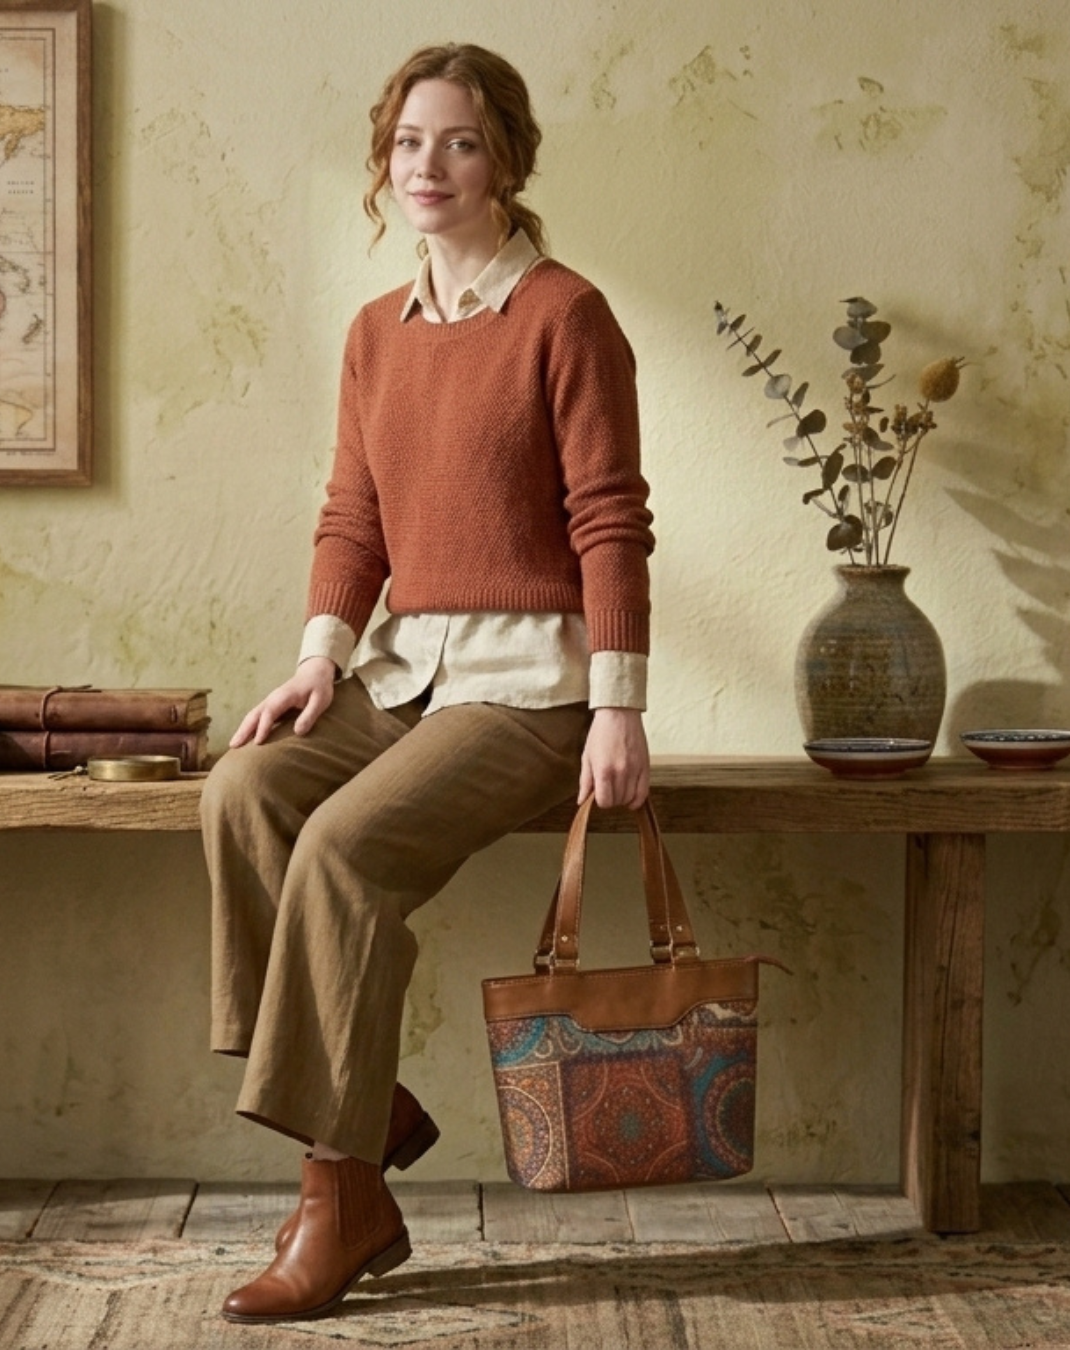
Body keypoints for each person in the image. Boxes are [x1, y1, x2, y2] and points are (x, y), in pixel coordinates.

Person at [200, 41, 654, 1324]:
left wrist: (616, 704)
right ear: (383, 160)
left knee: (341, 851)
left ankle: (336, 1203)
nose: (430, 166)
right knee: (241, 794)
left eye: (458, 141)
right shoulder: (373, 336)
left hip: (531, 690)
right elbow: (353, 518)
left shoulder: (566, 315)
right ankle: (355, 1101)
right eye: (409, 142)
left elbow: (611, 518)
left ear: (506, 158)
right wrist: (316, 662)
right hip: (404, 672)